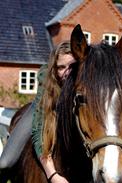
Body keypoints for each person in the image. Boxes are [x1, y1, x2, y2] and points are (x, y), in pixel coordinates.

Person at [0, 41, 76, 183]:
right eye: (61, 67)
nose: (67, 72)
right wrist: (52, 174)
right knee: (4, 163)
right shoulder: (47, 80)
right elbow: (38, 128)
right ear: (54, 68)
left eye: (72, 66)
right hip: (42, 107)